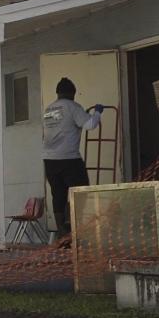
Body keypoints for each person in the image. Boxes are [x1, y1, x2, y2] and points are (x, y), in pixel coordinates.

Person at [43, 77, 103, 237]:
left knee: (58, 193)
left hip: (50, 160)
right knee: (80, 190)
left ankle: (62, 233)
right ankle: (71, 222)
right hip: (69, 158)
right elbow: (90, 125)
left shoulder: (50, 110)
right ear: (72, 93)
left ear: (58, 93)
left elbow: (63, 125)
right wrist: (97, 112)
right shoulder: (72, 106)